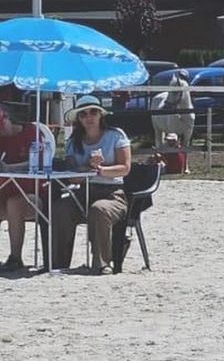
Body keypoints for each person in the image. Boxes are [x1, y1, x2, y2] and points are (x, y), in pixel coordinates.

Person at [46, 95, 131, 274]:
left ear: (101, 114)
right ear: (79, 118)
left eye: (93, 112)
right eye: (83, 114)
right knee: (60, 208)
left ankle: (102, 264)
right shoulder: (72, 143)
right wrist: (88, 167)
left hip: (112, 194)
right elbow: (72, 177)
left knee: (98, 209)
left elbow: (125, 168)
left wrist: (100, 170)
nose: (89, 117)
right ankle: (58, 263)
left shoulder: (116, 135)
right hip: (83, 192)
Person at [0, 102, 39, 271]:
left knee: (14, 203)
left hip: (33, 195)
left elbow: (38, 162)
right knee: (8, 202)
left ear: (8, 119)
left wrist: (9, 168)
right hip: (4, 192)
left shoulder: (31, 132)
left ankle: (15, 257)